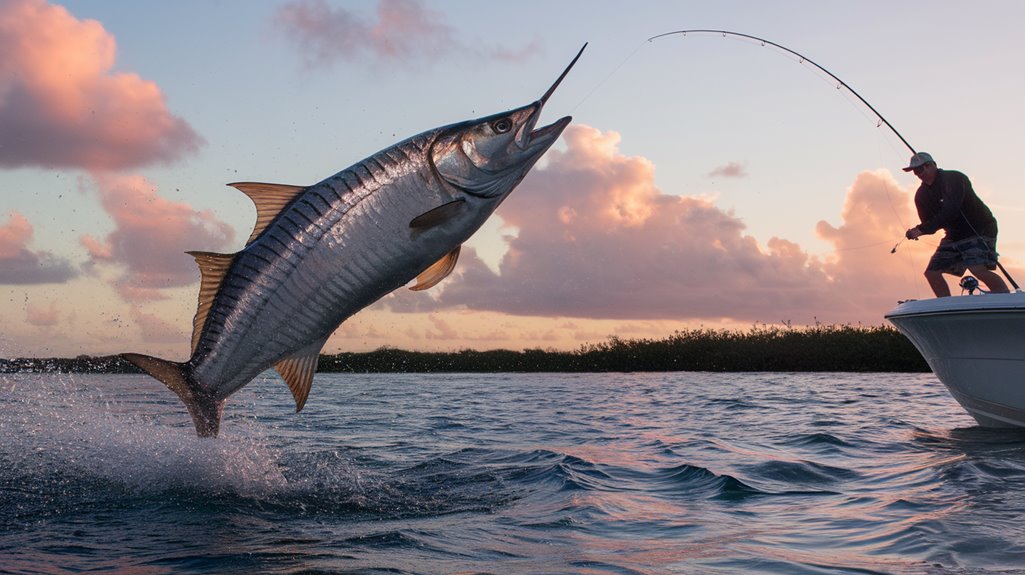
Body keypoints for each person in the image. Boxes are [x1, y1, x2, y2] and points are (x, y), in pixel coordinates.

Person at [903, 152, 1009, 297]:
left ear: (933, 165)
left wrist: (922, 229)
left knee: (977, 268)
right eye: (916, 171)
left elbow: (951, 209)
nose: (919, 173)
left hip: (979, 229)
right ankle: (945, 305)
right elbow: (929, 224)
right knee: (932, 273)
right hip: (953, 235)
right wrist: (918, 230)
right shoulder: (921, 195)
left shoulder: (954, 178)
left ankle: (1003, 296)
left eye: (922, 168)